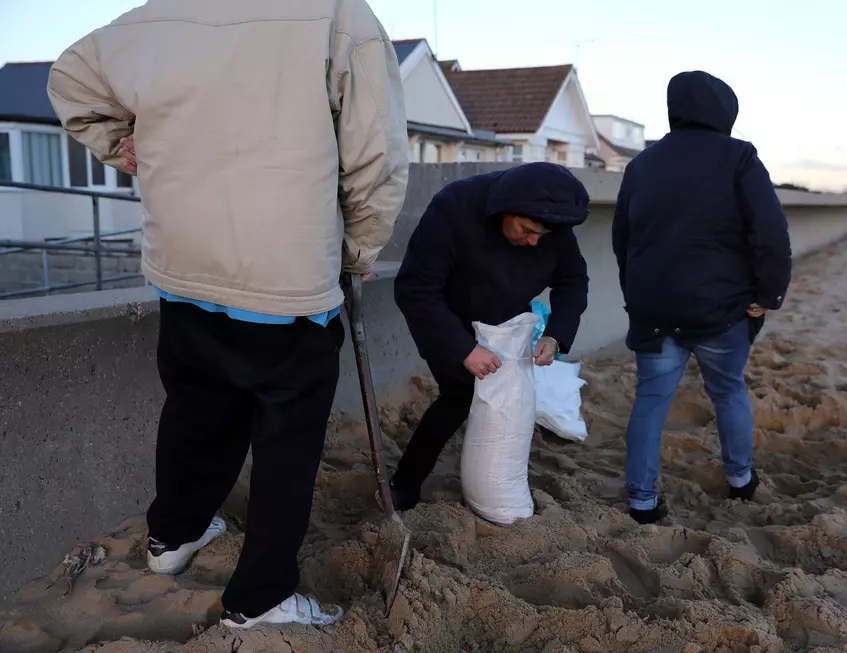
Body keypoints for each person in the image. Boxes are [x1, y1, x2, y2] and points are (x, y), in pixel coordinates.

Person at [47, 0, 409, 628]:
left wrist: (122, 147)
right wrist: (354, 250)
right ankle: (260, 597)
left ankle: (172, 540)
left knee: (195, 410)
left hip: (183, 265)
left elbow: (70, 81)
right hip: (287, 277)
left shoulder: (154, 17)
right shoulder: (337, 13)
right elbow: (376, 153)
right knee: (285, 447)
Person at [612, 70, 792, 525]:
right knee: (728, 391)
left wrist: (636, 296)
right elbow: (769, 232)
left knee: (650, 400)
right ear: (725, 112)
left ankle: (641, 502)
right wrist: (767, 294)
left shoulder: (641, 165)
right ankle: (740, 480)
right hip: (722, 308)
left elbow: (623, 239)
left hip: (654, 307)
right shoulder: (739, 156)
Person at [391, 162, 590, 511]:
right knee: (458, 395)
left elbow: (572, 282)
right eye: (526, 230)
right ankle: (405, 482)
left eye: (540, 237)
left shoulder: (551, 224)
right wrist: (463, 348)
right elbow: (415, 289)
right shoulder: (454, 208)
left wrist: (556, 335)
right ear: (504, 209)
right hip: (446, 316)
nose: (533, 241)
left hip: (504, 320)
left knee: (501, 397)